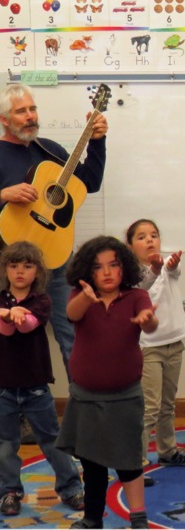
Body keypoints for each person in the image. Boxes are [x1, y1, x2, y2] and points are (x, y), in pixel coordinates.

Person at [0, 83, 108, 377]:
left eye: (33, 109)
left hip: (56, 261)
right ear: (4, 119)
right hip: (8, 263)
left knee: (71, 335)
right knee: (7, 336)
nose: (30, 116)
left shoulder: (50, 150)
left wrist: (97, 142)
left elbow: (89, 183)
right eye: (21, 111)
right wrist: (4, 194)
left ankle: (82, 400)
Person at [57, 236, 158, 530]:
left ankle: (138, 518)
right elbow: (71, 314)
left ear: (124, 267)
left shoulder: (137, 296)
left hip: (125, 397)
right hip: (86, 398)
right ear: (87, 272)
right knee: (92, 464)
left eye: (113, 265)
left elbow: (151, 323)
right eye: (98, 267)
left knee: (129, 462)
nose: (107, 272)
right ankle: (92, 518)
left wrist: (147, 319)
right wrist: (87, 298)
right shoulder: (79, 295)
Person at [0, 242, 85, 517]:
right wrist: (7, 314)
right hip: (4, 386)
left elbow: (26, 327)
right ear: (5, 270)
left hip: (36, 386)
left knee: (52, 440)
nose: (20, 271)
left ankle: (71, 488)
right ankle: (9, 492)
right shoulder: (2, 300)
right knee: (5, 444)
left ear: (38, 272)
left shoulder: (42, 300)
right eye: (14, 266)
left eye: (27, 266)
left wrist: (13, 315)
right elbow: (5, 330)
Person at [126, 220, 185, 474]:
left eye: (154, 235)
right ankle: (136, 461)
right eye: (141, 237)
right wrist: (155, 270)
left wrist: (171, 265)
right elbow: (140, 288)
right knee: (149, 407)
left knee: (168, 405)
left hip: (174, 343)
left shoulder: (167, 264)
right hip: (149, 347)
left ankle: (167, 451)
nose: (149, 240)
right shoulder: (129, 274)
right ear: (129, 245)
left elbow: (174, 271)